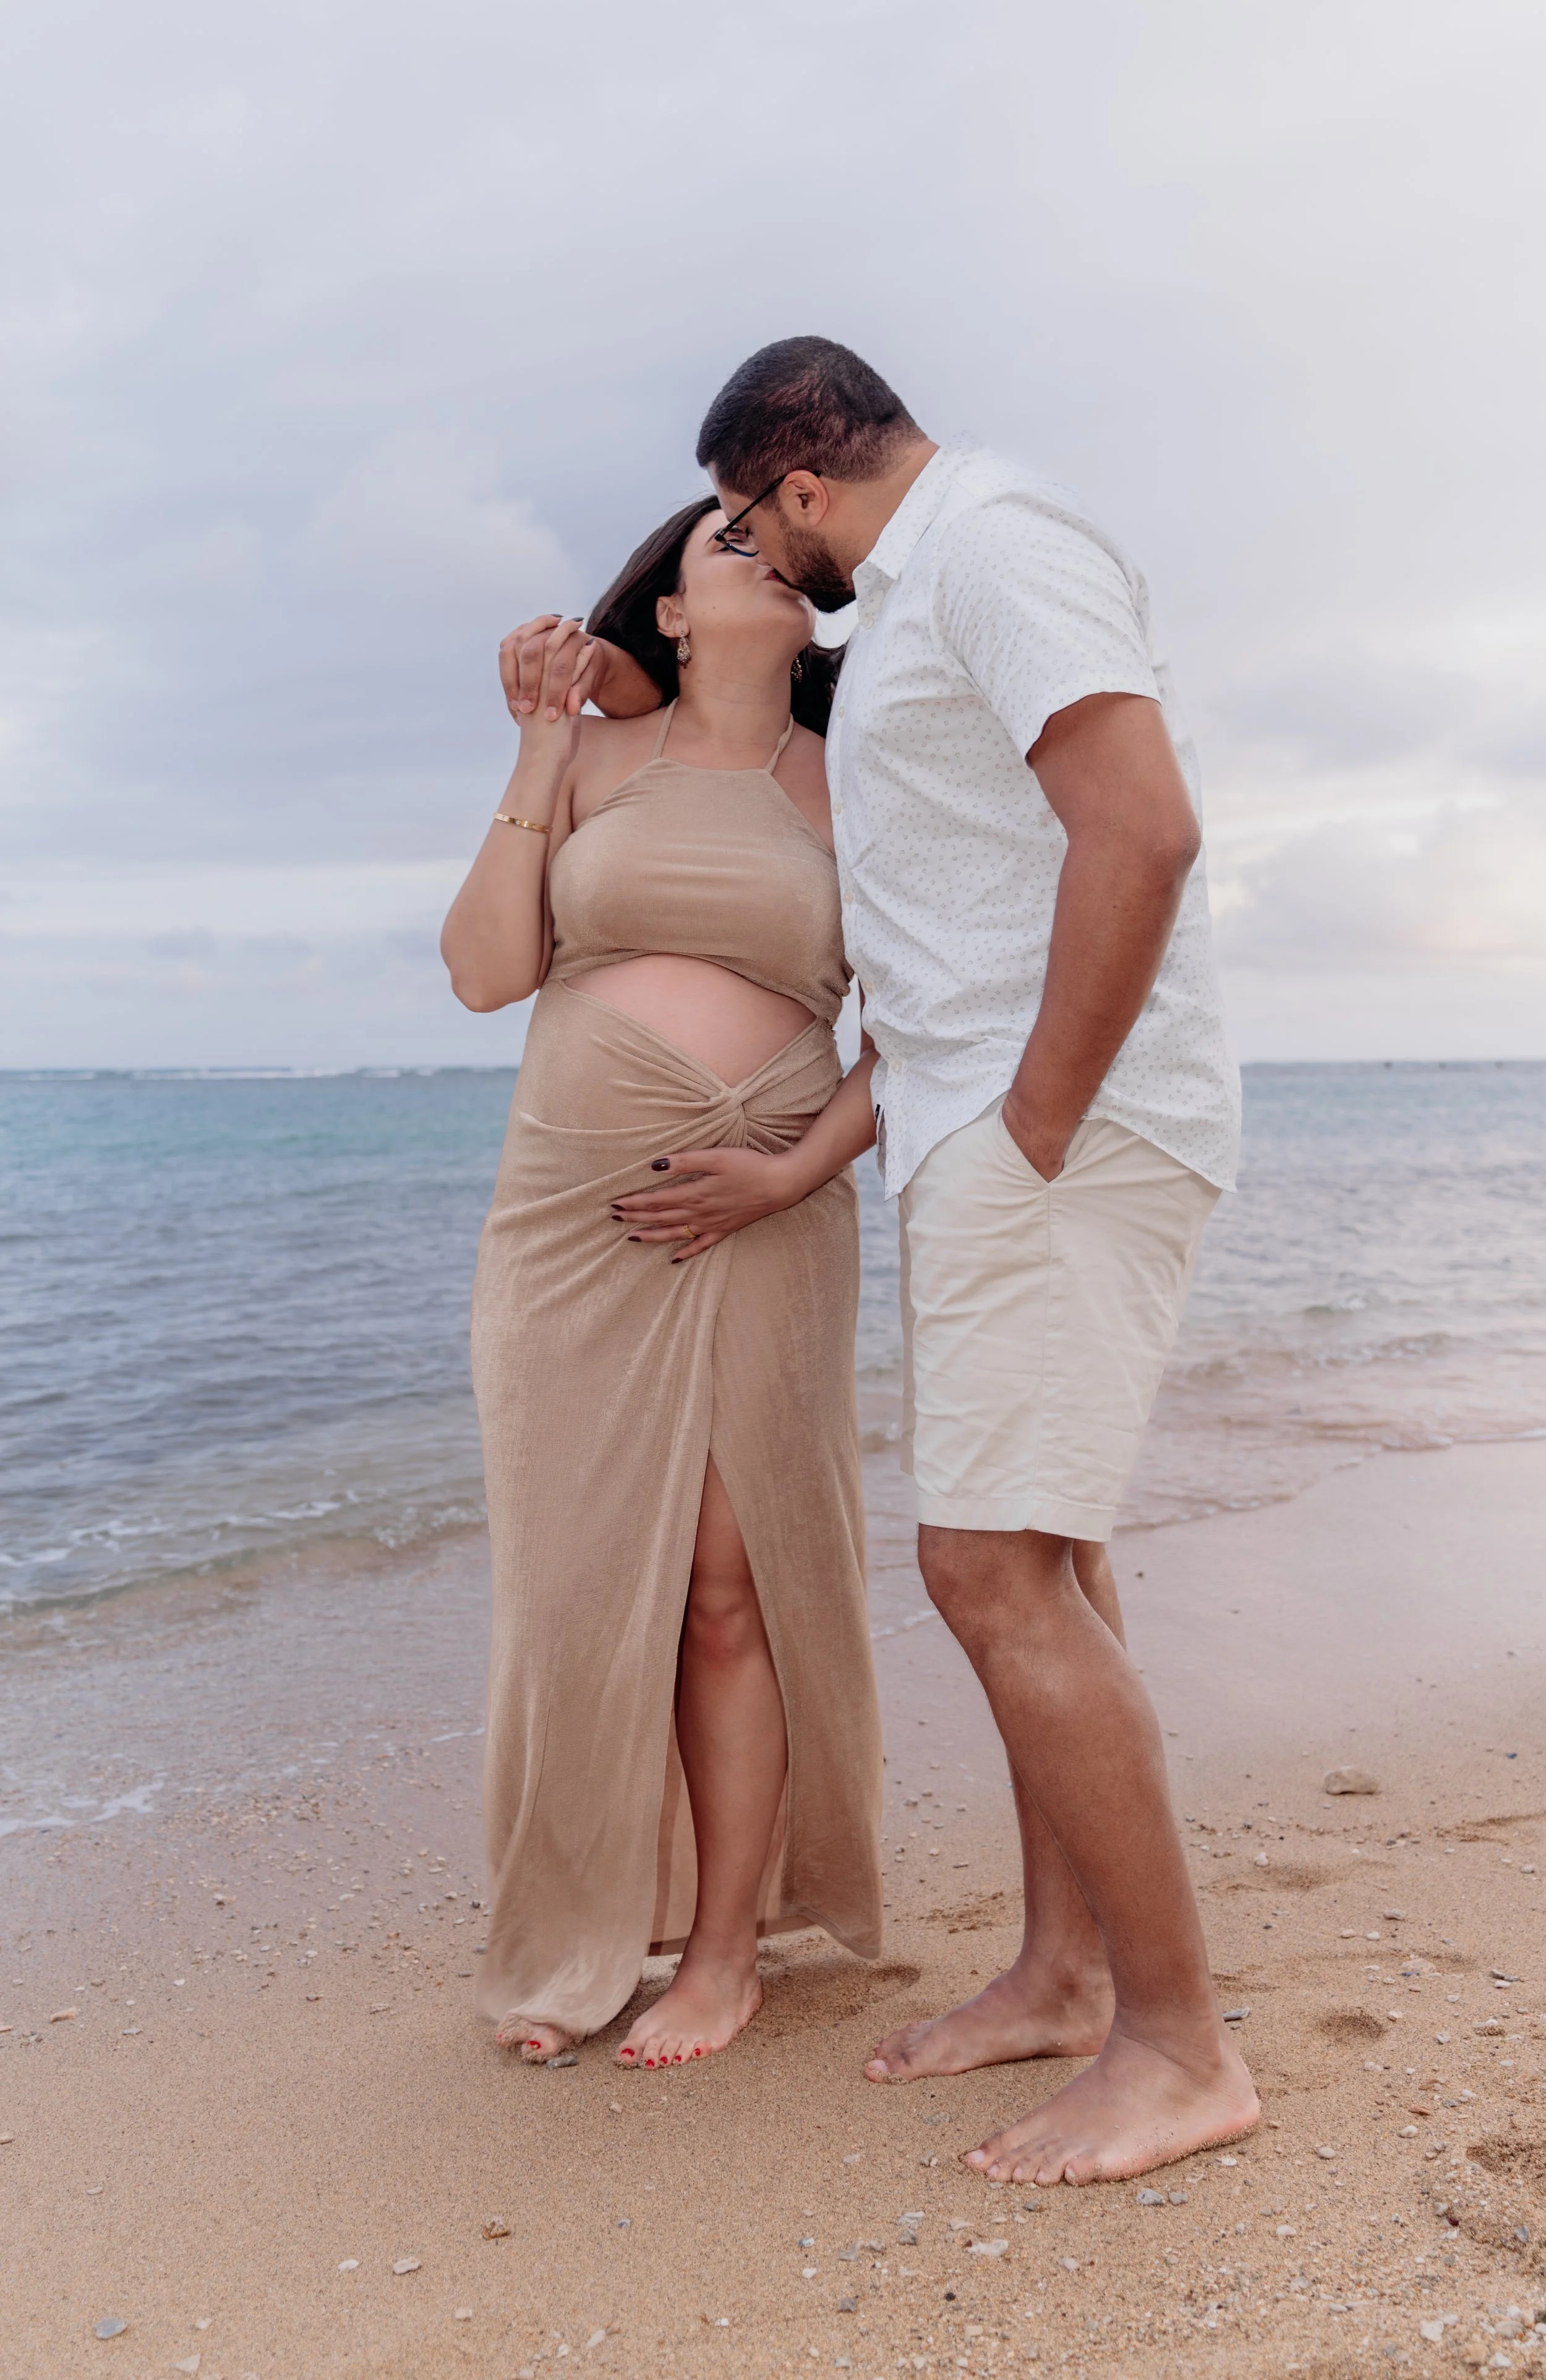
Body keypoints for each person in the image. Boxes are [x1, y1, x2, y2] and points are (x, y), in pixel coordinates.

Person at [510, 336, 1258, 2181]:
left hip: (1045, 1139)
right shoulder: (926, 588)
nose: (772, 559)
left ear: (799, 482)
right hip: (985, 1139)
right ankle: (1065, 1977)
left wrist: (1033, 1117)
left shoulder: (991, 546)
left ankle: (1178, 2048)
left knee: (986, 1572)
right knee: (1052, 1556)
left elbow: (1143, 827)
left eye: (760, 525)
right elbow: (681, 693)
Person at [441, 494, 884, 2070]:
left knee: (722, 1586)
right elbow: (488, 971)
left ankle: (720, 1956)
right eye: (719, 542)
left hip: (764, 1209)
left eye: (776, 538)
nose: (754, 546)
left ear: (815, 609)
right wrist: (537, 743)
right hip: (573, 1225)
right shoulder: (591, 759)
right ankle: (568, 1938)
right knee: (572, 1595)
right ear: (674, 615)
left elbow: (919, 1024)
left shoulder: (858, 784)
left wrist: (788, 1170)